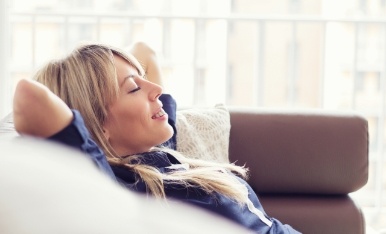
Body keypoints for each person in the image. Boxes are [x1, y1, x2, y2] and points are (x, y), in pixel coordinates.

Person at [13, 42, 301, 234]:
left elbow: (145, 51)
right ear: (99, 126)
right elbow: (28, 96)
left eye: (143, 78)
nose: (155, 90)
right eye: (134, 89)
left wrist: (113, 69)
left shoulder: (157, 156)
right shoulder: (115, 186)